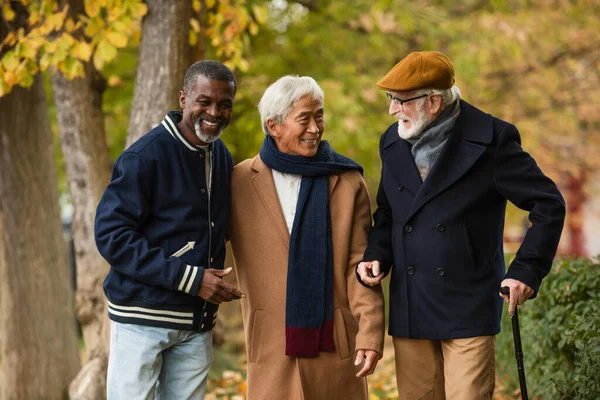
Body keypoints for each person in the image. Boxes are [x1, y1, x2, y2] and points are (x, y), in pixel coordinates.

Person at [357, 51, 565, 399]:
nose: (392, 109)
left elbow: (548, 204)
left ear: (434, 102)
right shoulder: (392, 141)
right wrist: (377, 254)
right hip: (412, 308)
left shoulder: (492, 140)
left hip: (468, 305)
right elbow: (389, 212)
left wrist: (526, 270)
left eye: (400, 101)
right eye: (390, 99)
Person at [95, 60, 244, 400]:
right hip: (140, 318)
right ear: (183, 99)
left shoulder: (221, 157)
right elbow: (111, 236)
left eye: (224, 104)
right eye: (204, 101)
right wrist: (191, 279)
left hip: (195, 325)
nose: (214, 112)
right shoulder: (145, 156)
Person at [229, 75, 385, 400]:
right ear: (273, 126)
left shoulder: (347, 181)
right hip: (271, 348)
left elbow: (360, 263)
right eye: (304, 118)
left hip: (335, 345)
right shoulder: (240, 181)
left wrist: (370, 332)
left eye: (319, 116)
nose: (315, 128)